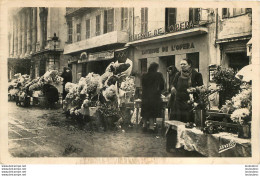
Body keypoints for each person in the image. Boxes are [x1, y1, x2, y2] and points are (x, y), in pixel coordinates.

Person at [172, 58, 203, 123]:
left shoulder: (196, 74)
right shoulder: (178, 74)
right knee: (178, 120)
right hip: (179, 100)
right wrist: (173, 89)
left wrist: (195, 89)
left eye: (184, 64)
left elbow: (201, 87)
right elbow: (174, 84)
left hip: (190, 100)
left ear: (189, 65)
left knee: (188, 120)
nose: (182, 66)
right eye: (181, 64)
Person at [141, 62, 165, 132]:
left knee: (145, 110)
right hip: (154, 95)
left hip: (145, 95)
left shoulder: (144, 75)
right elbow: (162, 85)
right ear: (156, 68)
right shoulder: (158, 75)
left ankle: (144, 126)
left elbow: (143, 85)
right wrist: (159, 91)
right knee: (152, 111)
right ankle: (151, 127)